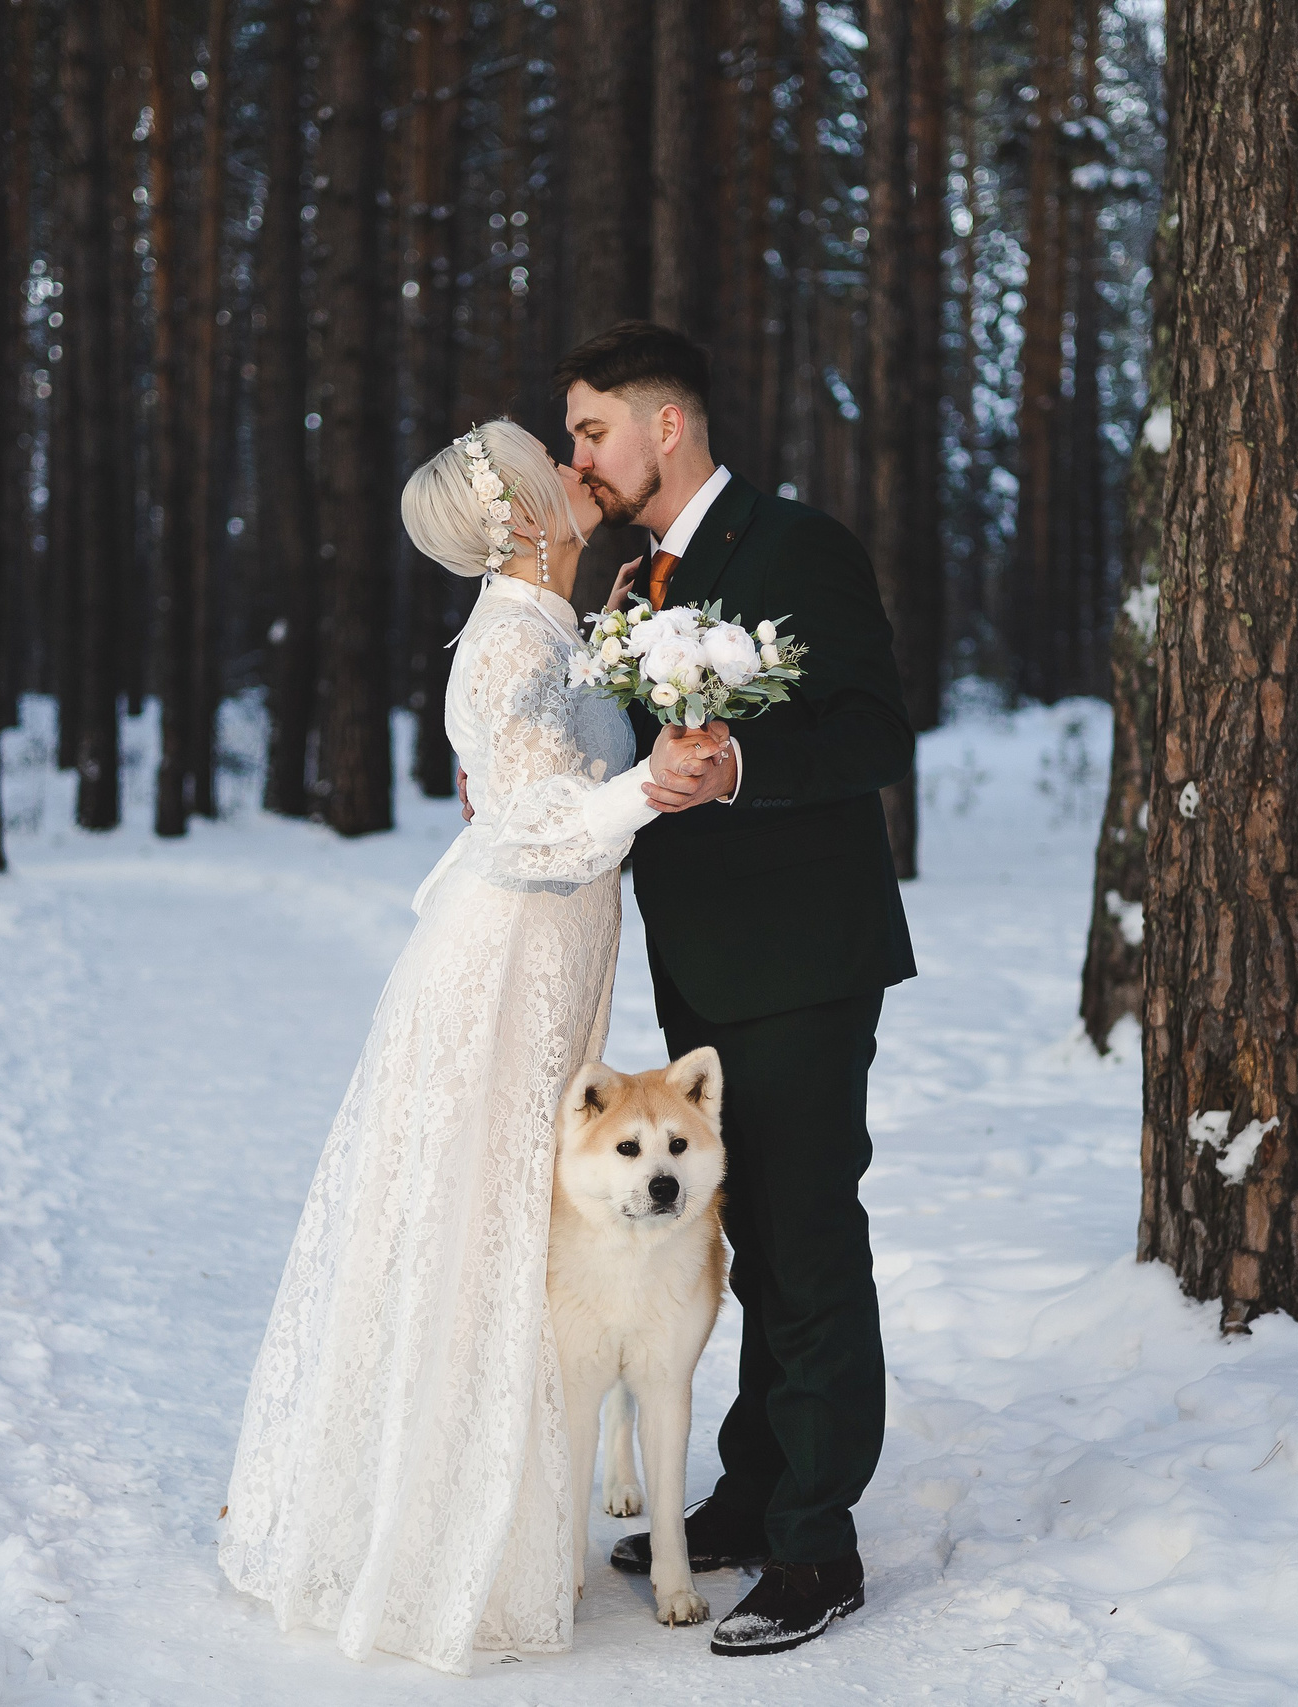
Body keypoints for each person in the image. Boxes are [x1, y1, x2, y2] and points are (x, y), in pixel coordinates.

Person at [217, 418, 715, 1676]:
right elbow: (534, 822)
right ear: (522, 516)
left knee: (516, 1220)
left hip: (554, 957)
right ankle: (448, 1533)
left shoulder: (545, 624)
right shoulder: (498, 642)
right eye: (548, 462)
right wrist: (644, 788)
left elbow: (547, 761)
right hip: (503, 966)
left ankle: (496, 1494)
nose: (571, 461)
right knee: (480, 1222)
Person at [559, 319, 917, 1657]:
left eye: (593, 429)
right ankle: (758, 1485)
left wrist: (746, 770)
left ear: (670, 425)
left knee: (808, 1236)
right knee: (746, 1231)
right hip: (705, 959)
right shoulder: (640, 574)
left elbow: (879, 726)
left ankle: (818, 1542)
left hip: (809, 954)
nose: (580, 456)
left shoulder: (793, 546)